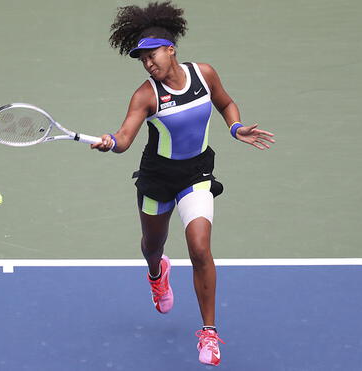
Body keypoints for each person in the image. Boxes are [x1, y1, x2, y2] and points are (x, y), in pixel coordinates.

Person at [91, 1, 275, 366]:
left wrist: (236, 128)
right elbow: (125, 138)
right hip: (156, 178)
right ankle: (157, 274)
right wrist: (110, 142)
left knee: (200, 247)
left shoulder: (204, 74)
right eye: (141, 59)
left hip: (196, 174)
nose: (148, 63)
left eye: (152, 54)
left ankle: (208, 333)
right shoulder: (146, 95)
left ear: (170, 49)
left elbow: (225, 103)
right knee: (152, 246)